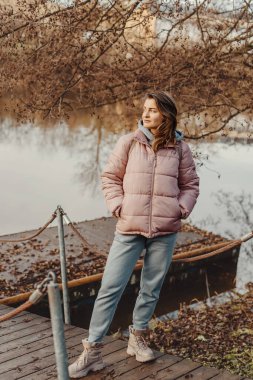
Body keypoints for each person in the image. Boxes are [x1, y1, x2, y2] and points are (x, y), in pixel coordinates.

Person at [68, 90, 200, 378]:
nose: (146, 114)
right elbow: (110, 177)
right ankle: (92, 351)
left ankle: (137, 338)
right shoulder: (129, 142)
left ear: (166, 113)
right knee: (110, 288)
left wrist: (181, 208)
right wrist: (118, 205)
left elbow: (191, 185)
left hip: (165, 230)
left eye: (152, 110)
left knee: (151, 288)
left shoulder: (180, 149)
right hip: (129, 227)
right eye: (144, 109)